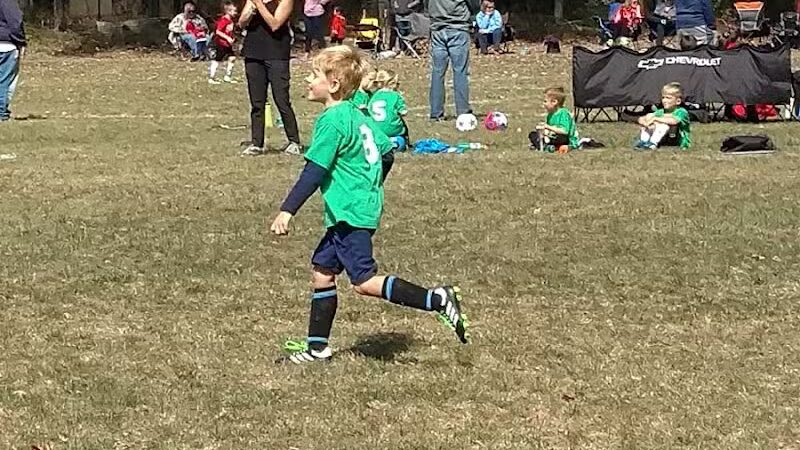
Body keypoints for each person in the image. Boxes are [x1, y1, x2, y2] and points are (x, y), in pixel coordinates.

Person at [270, 45, 469, 364]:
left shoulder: (333, 120)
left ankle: (436, 298)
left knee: (363, 282)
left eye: (313, 75)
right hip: (354, 209)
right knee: (323, 271)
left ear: (333, 83)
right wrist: (371, 183)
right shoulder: (355, 113)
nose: (307, 80)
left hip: (350, 213)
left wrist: (287, 210)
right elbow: (386, 150)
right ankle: (317, 348)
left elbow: (315, 170)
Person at [239, 0, 302, 156]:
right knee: (257, 102)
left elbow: (274, 24)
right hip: (253, 53)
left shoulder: (285, 1)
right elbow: (241, 23)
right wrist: (249, 13)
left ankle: (294, 141)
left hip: (276, 54)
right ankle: (256, 143)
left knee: (281, 99)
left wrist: (259, 5)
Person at [428, 0, 481, 121]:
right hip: (457, 28)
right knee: (460, 72)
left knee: (437, 73)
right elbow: (474, 5)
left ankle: (435, 113)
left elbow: (426, 5)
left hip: (437, 29)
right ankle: (463, 111)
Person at [635, 82, 691, 150]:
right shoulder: (661, 111)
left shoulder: (682, 112)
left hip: (677, 140)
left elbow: (674, 121)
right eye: (663, 98)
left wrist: (655, 119)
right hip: (665, 139)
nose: (664, 100)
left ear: (678, 101)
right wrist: (646, 122)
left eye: (668, 98)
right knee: (649, 117)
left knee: (662, 125)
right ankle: (644, 141)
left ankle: (653, 143)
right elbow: (641, 118)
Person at [366, 69, 409, 151]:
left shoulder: (373, 96)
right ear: (392, 83)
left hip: (376, 131)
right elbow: (403, 112)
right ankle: (395, 143)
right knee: (402, 133)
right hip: (393, 131)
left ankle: (379, 143)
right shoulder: (396, 96)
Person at [529, 87, 579, 153]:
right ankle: (546, 146)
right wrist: (543, 131)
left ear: (554, 102)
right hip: (552, 136)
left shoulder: (563, 113)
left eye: (545, 101)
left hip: (564, 138)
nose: (543, 104)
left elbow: (564, 131)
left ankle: (543, 146)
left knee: (560, 137)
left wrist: (548, 127)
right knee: (532, 134)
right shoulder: (550, 114)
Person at [0, 0, 25, 122]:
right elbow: (15, 22)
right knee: (5, 81)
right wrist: (20, 41)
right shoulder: (7, 2)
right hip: (6, 44)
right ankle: (1, 113)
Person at [208, 1, 238, 84]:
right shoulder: (224, 20)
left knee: (232, 58)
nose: (236, 13)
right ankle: (211, 77)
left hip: (227, 45)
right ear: (228, 11)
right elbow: (218, 31)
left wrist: (232, 38)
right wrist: (227, 38)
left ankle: (227, 76)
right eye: (234, 11)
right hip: (221, 44)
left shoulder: (231, 21)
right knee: (217, 60)